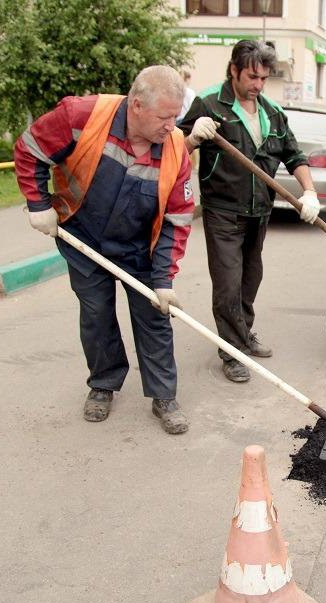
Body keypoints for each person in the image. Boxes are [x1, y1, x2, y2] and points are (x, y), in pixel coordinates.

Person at [14, 65, 195, 434]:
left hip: (139, 247)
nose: (171, 126)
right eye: (164, 116)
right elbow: (30, 148)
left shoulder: (176, 150)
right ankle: (103, 383)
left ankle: (163, 394)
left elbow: (177, 220)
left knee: (154, 316)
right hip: (84, 235)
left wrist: (163, 279)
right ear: (137, 105)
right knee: (96, 314)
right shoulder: (82, 115)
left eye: (176, 116)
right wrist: (38, 204)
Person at [179, 40, 320, 383]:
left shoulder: (271, 112)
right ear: (234, 71)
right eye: (252, 77)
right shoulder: (210, 103)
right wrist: (194, 138)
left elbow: (294, 155)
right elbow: (172, 151)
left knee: (249, 278)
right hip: (223, 211)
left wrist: (310, 192)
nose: (258, 85)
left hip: (260, 211)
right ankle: (231, 352)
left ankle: (242, 333)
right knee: (227, 283)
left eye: (263, 79)